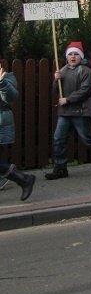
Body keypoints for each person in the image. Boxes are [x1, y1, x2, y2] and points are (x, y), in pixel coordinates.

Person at [45, 41, 91, 180]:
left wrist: (68, 99)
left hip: (80, 112)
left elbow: (86, 90)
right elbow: (55, 90)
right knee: (59, 139)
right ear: (67, 57)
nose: (73, 57)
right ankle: (60, 167)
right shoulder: (62, 70)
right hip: (65, 113)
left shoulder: (85, 70)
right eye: (70, 54)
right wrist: (56, 80)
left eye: (76, 54)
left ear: (81, 56)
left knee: (88, 139)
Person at [0, 60, 36, 201]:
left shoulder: (8, 78)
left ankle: (24, 179)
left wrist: (1, 83)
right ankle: (24, 179)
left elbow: (10, 97)